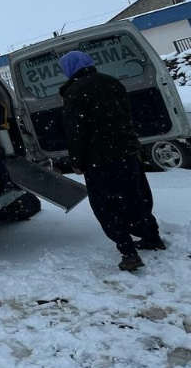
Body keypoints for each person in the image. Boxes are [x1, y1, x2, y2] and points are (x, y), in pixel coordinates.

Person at [59, 50, 163, 272]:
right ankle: (152, 237)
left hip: (98, 160)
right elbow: (127, 114)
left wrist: (76, 160)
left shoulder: (75, 92)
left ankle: (128, 252)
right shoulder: (112, 82)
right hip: (126, 152)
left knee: (107, 206)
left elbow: (76, 131)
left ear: (69, 69)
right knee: (136, 196)